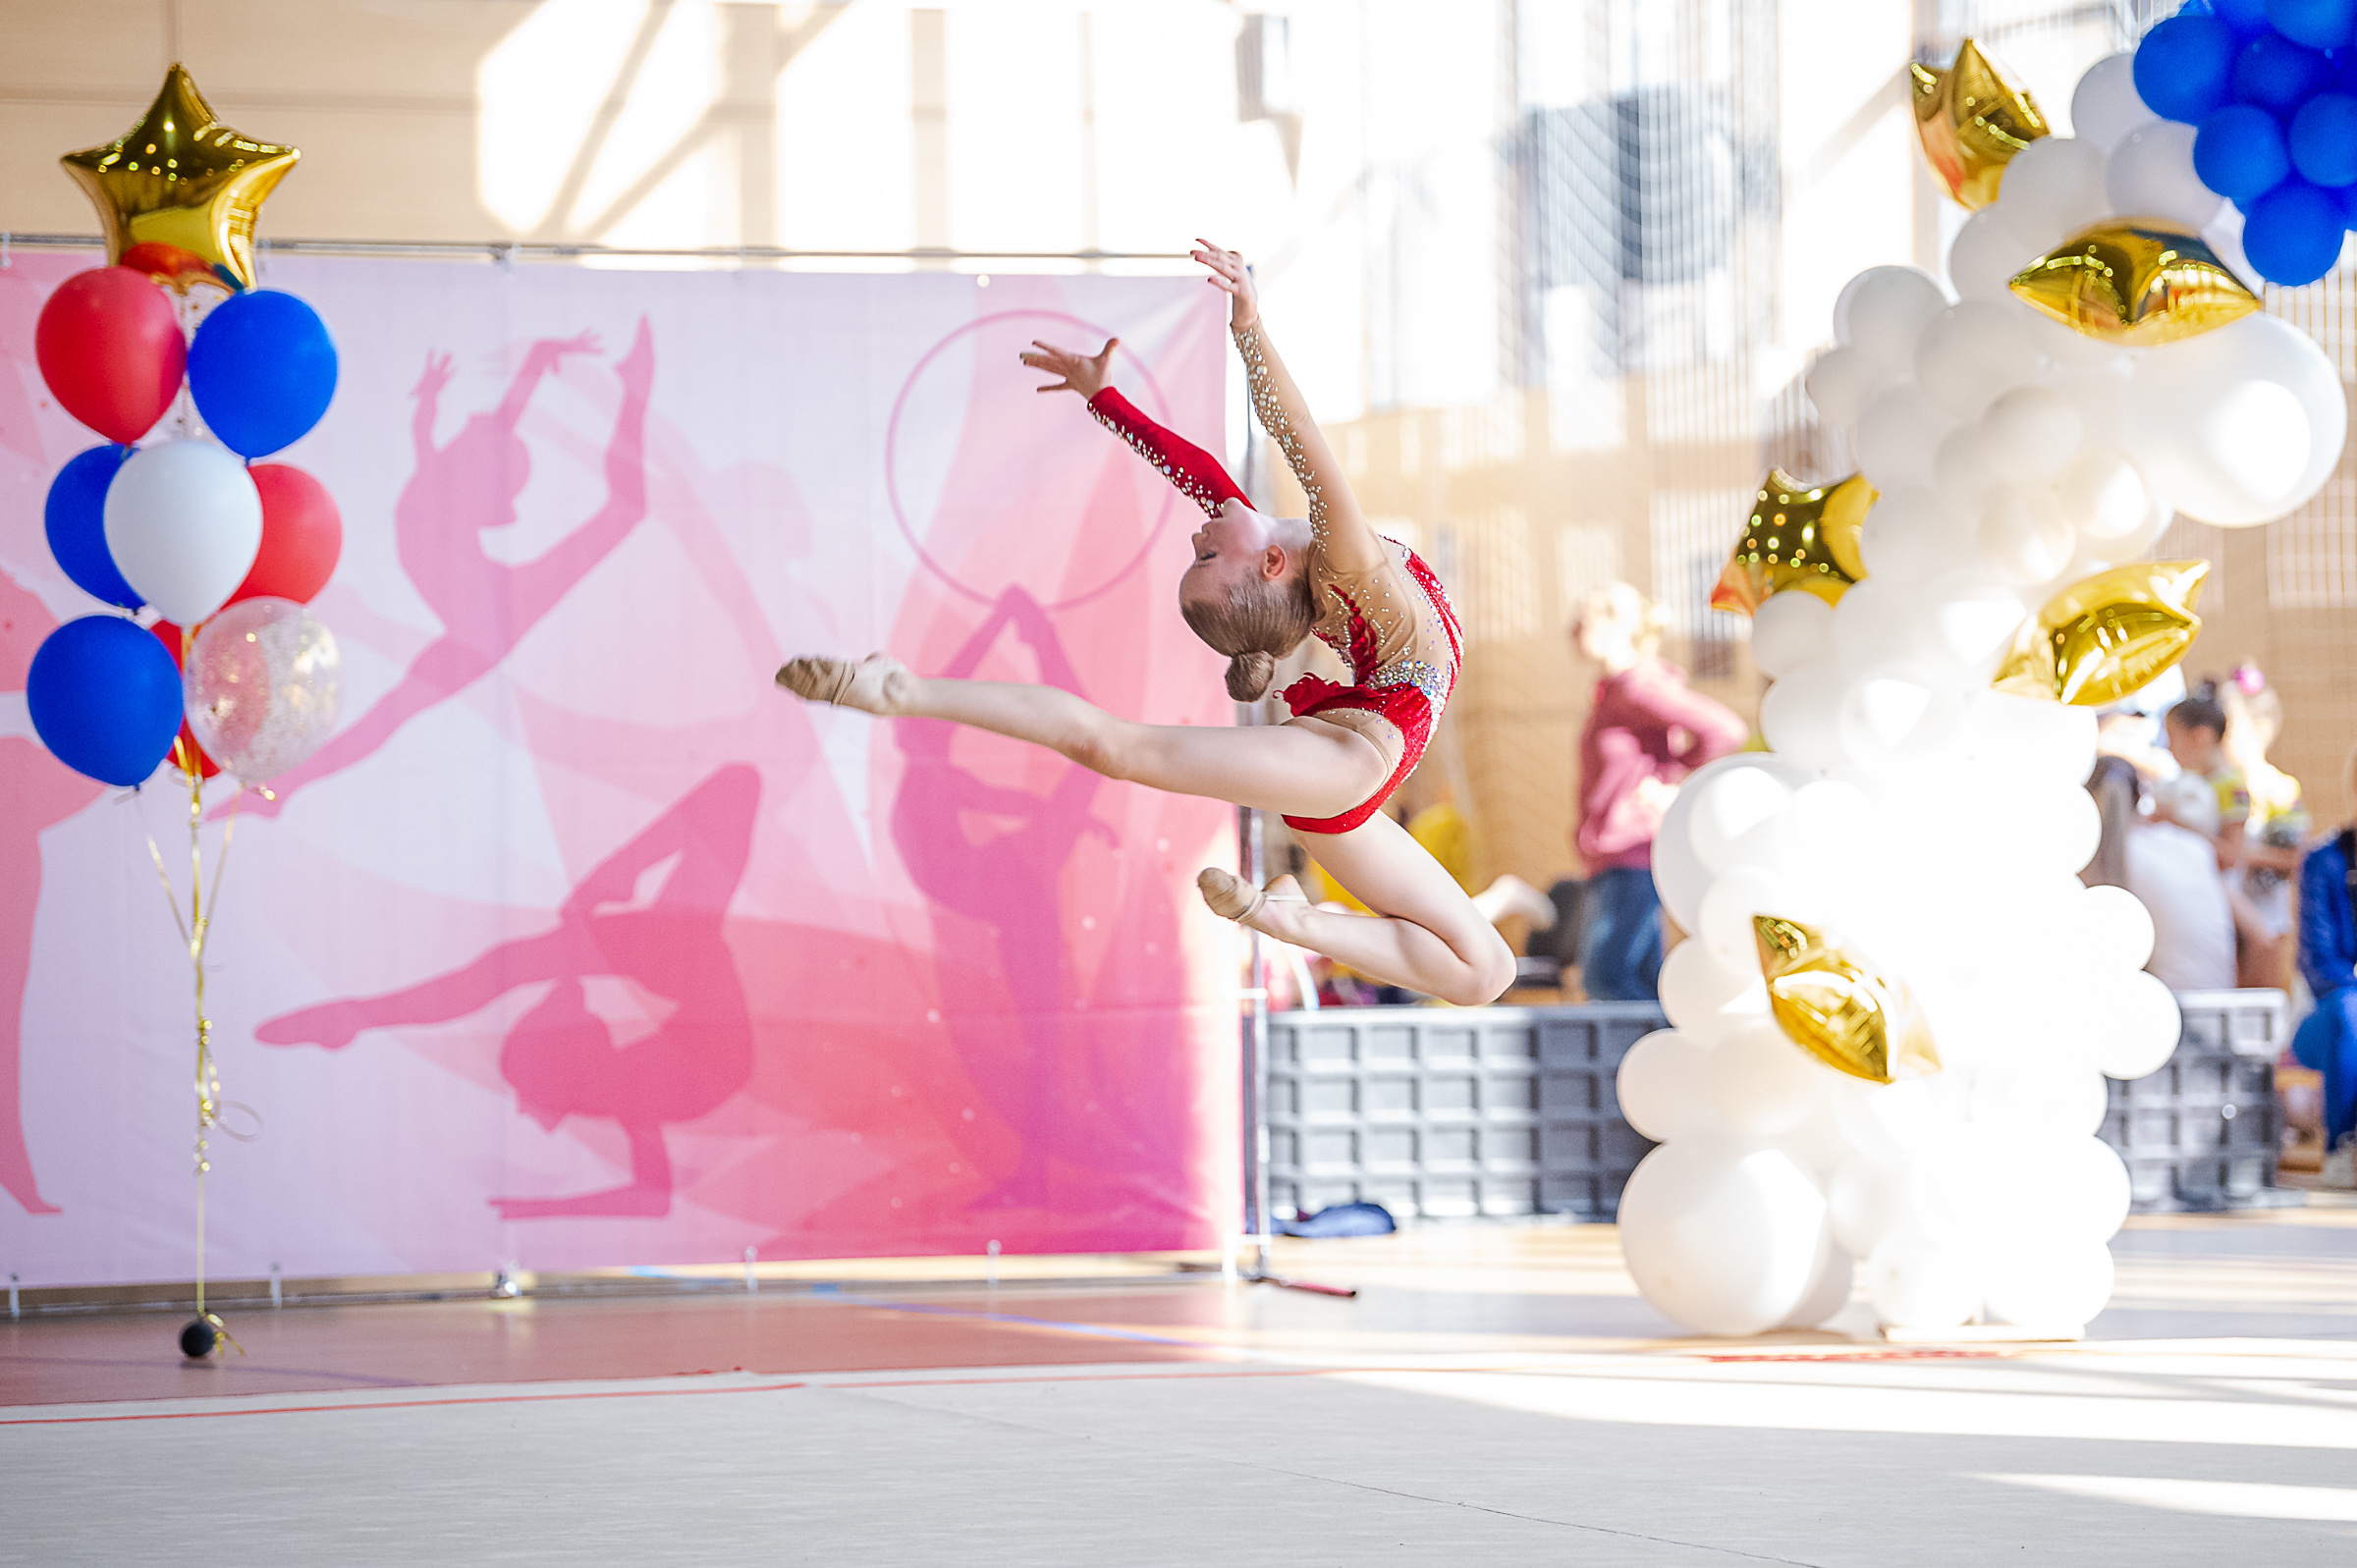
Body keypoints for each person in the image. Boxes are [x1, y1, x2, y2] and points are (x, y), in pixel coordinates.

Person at [779, 242, 1514, 1007]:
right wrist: (1249, 325)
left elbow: (1191, 469)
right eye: (1207, 557)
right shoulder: (1347, 559)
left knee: (1484, 972)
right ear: (1265, 567)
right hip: (1353, 756)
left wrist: (1106, 401)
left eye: (1197, 550)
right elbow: (1298, 432)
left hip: (1353, 776)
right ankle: (901, 690)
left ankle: (1290, 919)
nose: (1197, 536)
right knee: (1114, 746)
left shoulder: (1278, 549)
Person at [1569, 582, 1745, 1000]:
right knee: (1645, 983)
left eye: (1586, 618)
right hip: (1614, 857)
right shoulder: (1611, 691)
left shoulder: (1638, 686)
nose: (1574, 629)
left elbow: (1725, 730)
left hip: (1633, 853)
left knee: (1606, 978)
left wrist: (1674, 780)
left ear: (1618, 626)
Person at [2294, 744, 2357, 1190]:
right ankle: (2344, 1145)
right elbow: (2319, 962)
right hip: (2334, 1016)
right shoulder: (2326, 861)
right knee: (2349, 1014)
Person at [2126, 773, 2238, 994]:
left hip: (2172, 1004)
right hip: (2217, 999)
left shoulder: (2132, 848)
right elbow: (2264, 942)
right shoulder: (2198, 852)